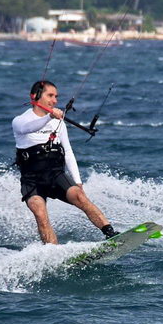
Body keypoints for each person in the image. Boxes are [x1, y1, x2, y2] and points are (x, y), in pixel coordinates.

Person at [12, 80, 120, 244]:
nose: (55, 100)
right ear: (34, 96)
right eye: (50, 95)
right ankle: (53, 253)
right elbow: (29, 128)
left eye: (56, 96)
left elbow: (68, 151)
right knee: (40, 212)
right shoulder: (20, 121)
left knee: (79, 196)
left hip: (55, 175)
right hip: (31, 179)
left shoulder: (58, 122)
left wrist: (78, 181)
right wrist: (49, 116)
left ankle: (111, 234)